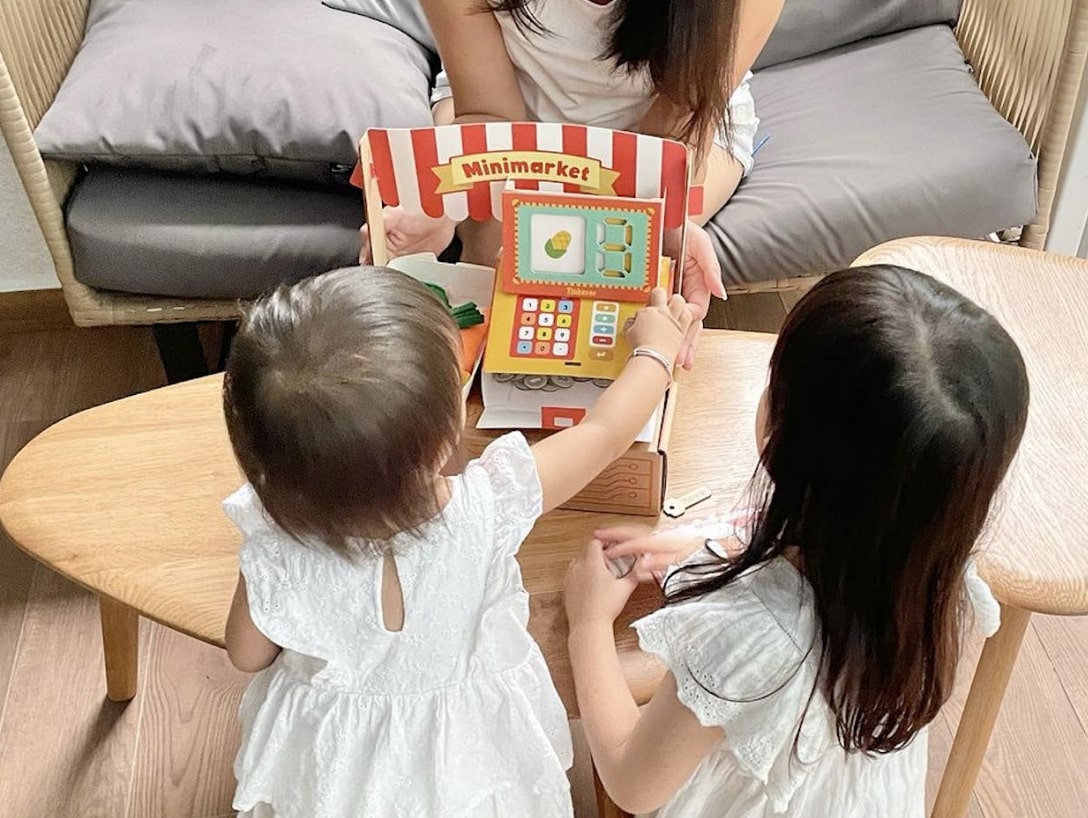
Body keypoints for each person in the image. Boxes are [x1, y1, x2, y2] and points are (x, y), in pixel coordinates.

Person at [221, 266, 690, 817]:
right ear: (449, 435)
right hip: (469, 759)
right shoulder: (490, 504)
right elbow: (604, 434)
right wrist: (656, 353)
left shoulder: (278, 538)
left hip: (337, 775)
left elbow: (247, 652)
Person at [563, 265, 1031, 817]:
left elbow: (632, 782)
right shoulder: (930, 562)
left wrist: (587, 624)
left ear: (781, 434)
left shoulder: (749, 637)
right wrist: (708, 548)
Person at [361, 0, 785, 368]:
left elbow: (672, 138)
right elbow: (490, 111)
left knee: (626, 273)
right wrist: (448, 205)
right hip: (511, 107)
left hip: (671, 130)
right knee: (497, 274)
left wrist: (658, 224)